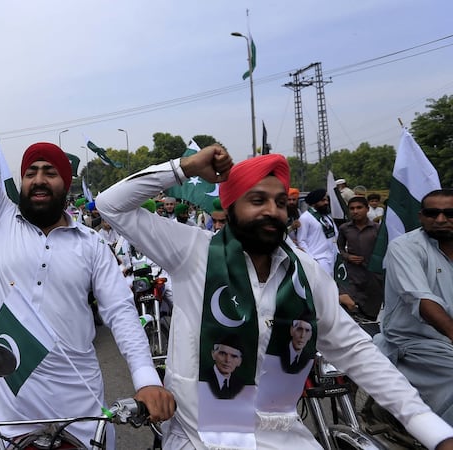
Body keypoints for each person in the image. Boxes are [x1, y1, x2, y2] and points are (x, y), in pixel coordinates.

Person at [96, 150, 453, 450]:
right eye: (258, 200)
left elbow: (355, 350)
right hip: (199, 439)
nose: (273, 210)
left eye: (281, 202)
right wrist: (185, 168)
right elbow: (112, 205)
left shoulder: (306, 273)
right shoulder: (192, 252)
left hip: (283, 437)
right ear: (231, 206)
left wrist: (433, 430)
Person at [0, 33, 173, 449]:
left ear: (66, 184)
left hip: (75, 401)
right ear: (21, 181)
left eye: (50, 172)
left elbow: (120, 312)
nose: (39, 179)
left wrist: (147, 379)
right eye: (31, 171)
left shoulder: (91, 245)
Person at [376, 189, 453, 425]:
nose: (440, 219)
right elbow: (421, 300)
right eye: (432, 213)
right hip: (414, 342)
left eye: (449, 213)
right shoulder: (404, 247)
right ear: (421, 216)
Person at [337, 196, 383, 318]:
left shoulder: (377, 229)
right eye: (352, 208)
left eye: (359, 208)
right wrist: (347, 256)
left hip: (372, 277)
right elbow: (339, 249)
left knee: (371, 310)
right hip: (352, 275)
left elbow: (384, 250)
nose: (355, 211)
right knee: (349, 308)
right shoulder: (344, 228)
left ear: (367, 209)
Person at [297, 188, 339, 277]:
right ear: (314, 202)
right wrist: (312, 259)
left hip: (332, 258)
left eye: (327, 200)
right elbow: (301, 241)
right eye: (323, 200)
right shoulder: (305, 218)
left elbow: (335, 235)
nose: (326, 203)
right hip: (318, 259)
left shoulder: (327, 217)